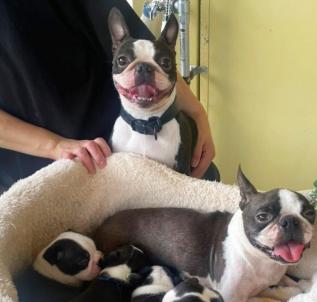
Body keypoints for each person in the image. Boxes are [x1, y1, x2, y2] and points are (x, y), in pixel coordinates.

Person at [0, 0, 215, 189]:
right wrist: (54, 146)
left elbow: (146, 44)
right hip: (37, 167)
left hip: (122, 131)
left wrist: (198, 113)